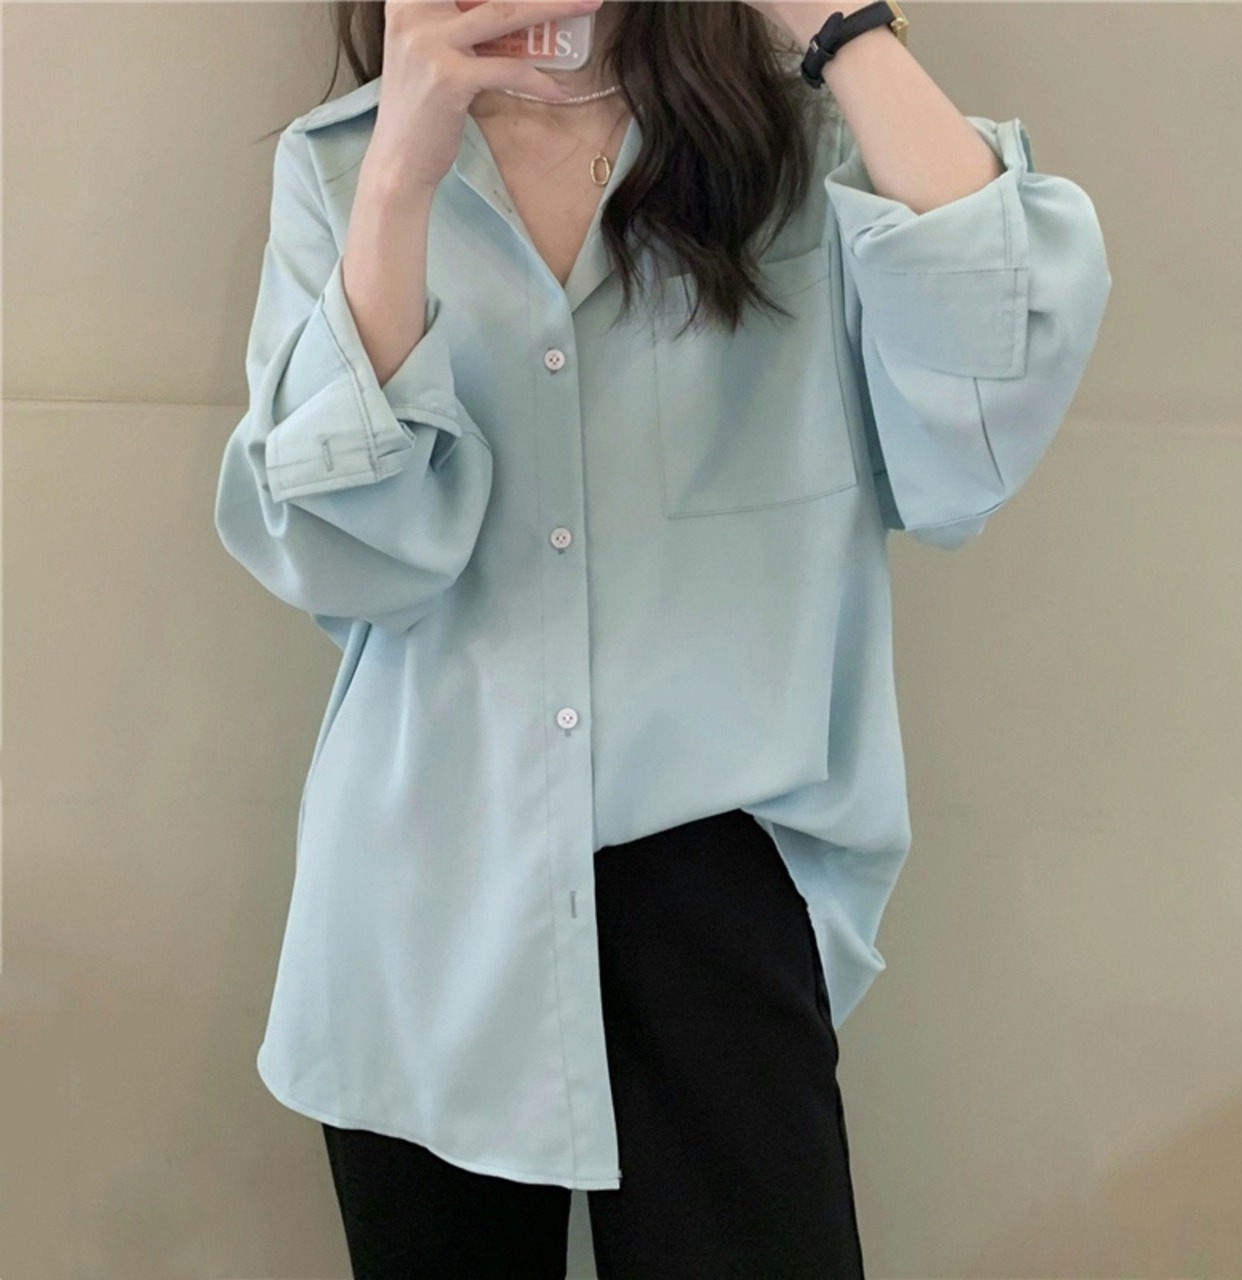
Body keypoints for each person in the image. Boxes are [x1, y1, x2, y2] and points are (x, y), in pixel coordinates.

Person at [214, 0, 1112, 1274]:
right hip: (420, 896)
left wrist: (840, 25)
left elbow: (987, 407)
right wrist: (401, 181)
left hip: (722, 889)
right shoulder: (342, 167)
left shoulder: (806, 155)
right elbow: (348, 559)